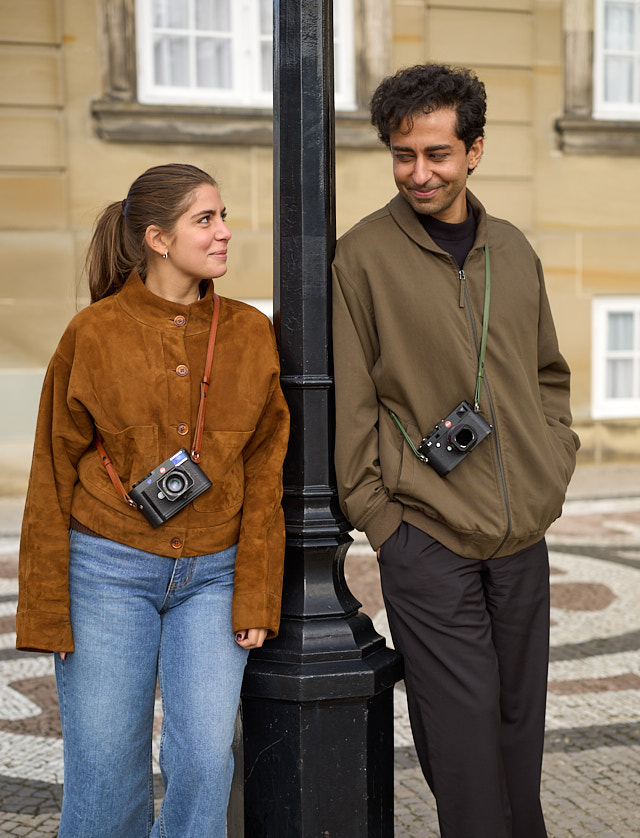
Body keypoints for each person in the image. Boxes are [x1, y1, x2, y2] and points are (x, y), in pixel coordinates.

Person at [332, 65, 579, 838]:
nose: (419, 173)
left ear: (474, 150)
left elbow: (547, 374)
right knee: (463, 736)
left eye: (436, 154)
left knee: (517, 727)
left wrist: (551, 464)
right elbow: (351, 403)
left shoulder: (512, 248)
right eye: (403, 155)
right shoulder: (361, 258)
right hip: (426, 535)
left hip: (520, 534)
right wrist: (383, 522)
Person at [16, 163, 289, 838]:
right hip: (106, 571)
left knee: (204, 759)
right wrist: (47, 608)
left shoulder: (252, 333)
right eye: (207, 219)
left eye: (223, 216)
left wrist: (256, 591)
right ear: (157, 239)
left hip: (215, 576)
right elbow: (51, 471)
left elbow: (265, 469)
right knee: (108, 771)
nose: (226, 232)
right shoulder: (94, 333)